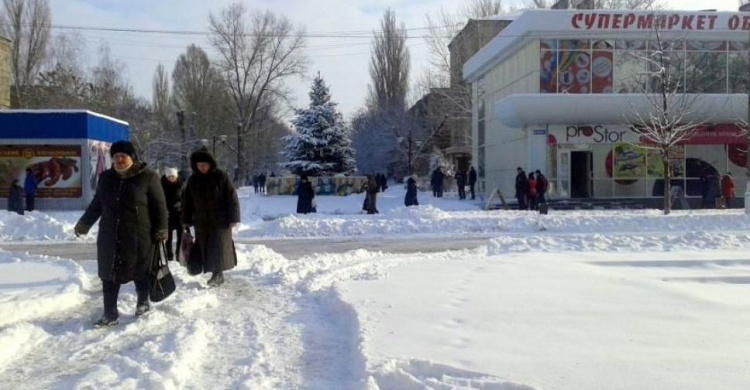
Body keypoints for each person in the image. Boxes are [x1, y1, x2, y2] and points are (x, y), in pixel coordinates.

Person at [74, 140, 168, 327]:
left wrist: (161, 229)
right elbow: (97, 204)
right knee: (108, 274)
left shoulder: (148, 177)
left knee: (140, 271)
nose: (119, 159)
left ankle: (142, 303)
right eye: (115, 156)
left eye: (122, 156)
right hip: (110, 235)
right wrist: (84, 223)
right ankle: (110, 313)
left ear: (131, 157)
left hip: (139, 235)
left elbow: (159, 207)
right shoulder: (106, 178)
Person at [182, 148, 240, 287]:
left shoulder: (221, 176)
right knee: (205, 246)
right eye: (199, 164)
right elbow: (187, 201)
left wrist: (234, 218)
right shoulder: (193, 180)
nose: (202, 167)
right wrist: (186, 219)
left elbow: (232, 198)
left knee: (218, 247)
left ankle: (217, 274)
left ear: (211, 164)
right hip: (201, 221)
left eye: (204, 164)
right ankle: (207, 270)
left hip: (220, 221)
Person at [160, 167, 184, 261]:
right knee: (168, 237)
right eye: (169, 176)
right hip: (167, 214)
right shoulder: (161, 185)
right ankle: (169, 255)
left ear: (176, 176)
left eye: (173, 176)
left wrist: (181, 203)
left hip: (179, 214)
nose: (171, 178)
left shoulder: (181, 185)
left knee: (180, 236)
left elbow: (187, 198)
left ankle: (178, 254)